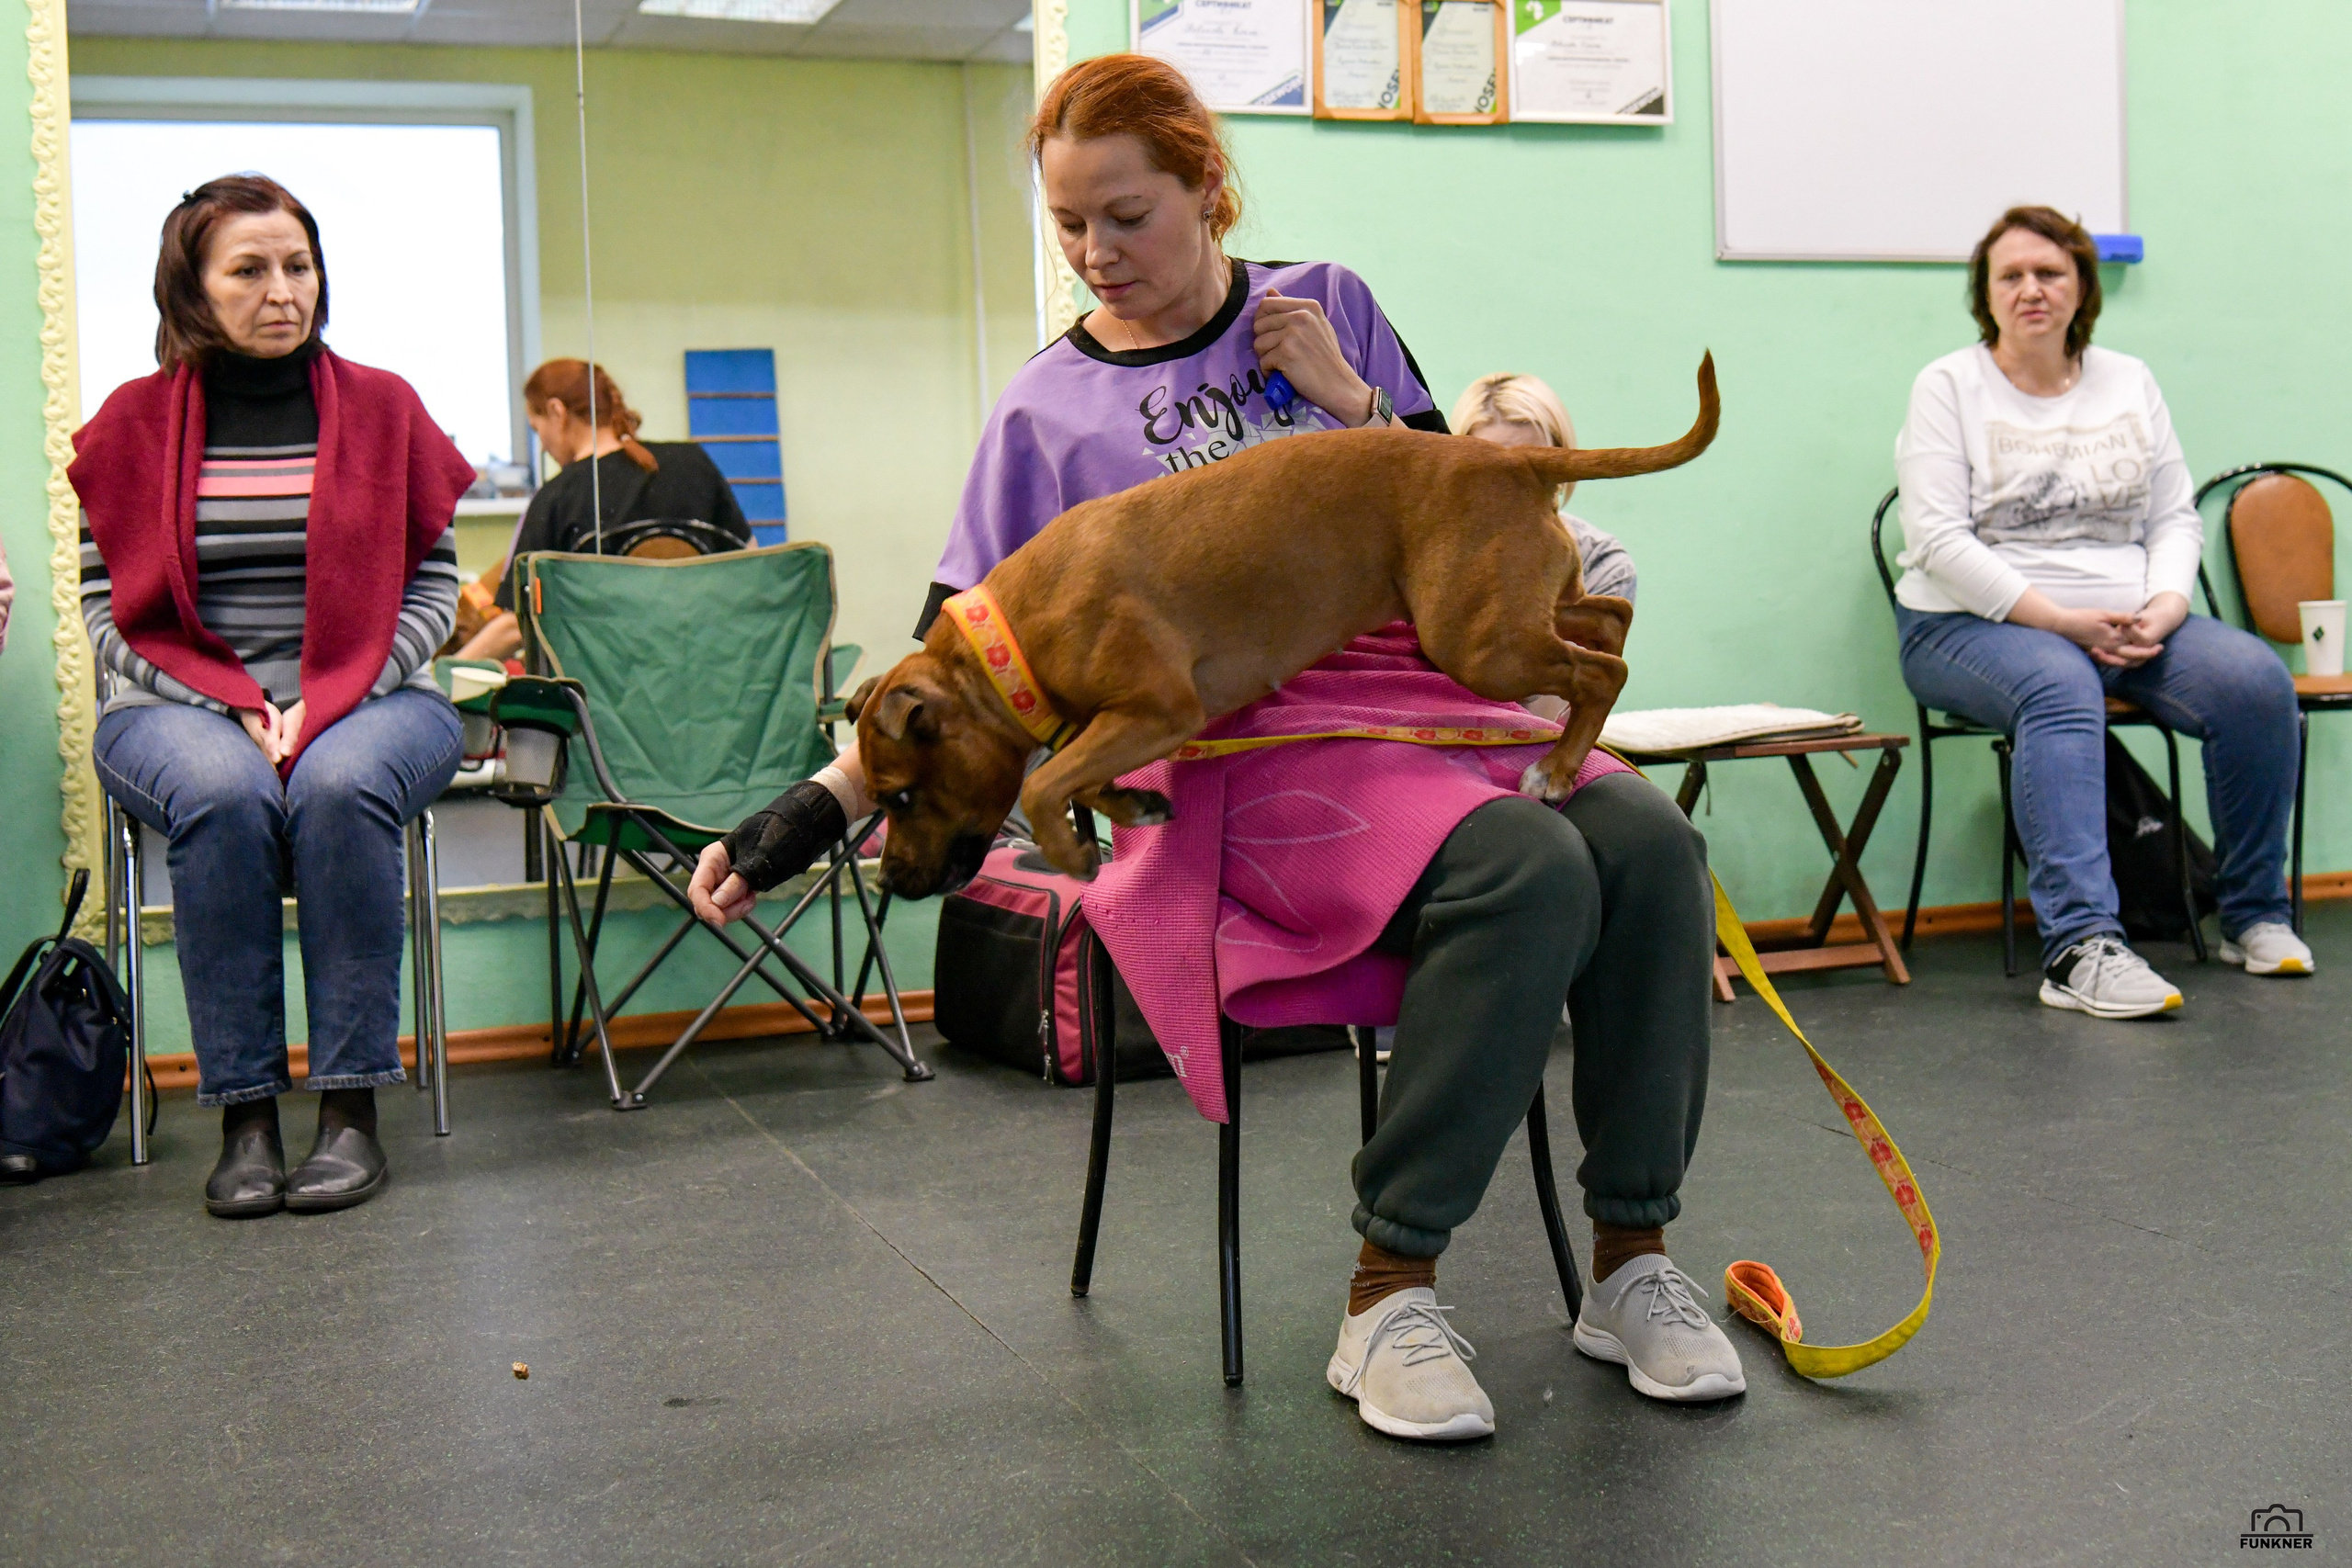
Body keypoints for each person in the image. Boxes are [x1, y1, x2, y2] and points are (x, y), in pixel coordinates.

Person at [689, 54, 1739, 1442]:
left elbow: (1457, 506)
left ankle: (1633, 1259)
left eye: (1126, 215)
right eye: (1069, 223)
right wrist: (807, 817)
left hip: (1435, 700)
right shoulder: (1041, 414)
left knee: (1655, 846)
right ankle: (1391, 1286)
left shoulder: (1333, 304)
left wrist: (1352, 393)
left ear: (1206, 187)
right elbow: (943, 678)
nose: (1093, 253)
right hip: (1239, 766)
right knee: (1531, 867)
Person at [71, 175, 475, 1215]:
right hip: (174, 707)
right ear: (192, 290)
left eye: (297, 265)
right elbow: (103, 607)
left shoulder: (385, 408)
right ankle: (246, 1119)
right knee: (227, 792)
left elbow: (435, 587)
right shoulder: (130, 423)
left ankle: (350, 1113)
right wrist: (225, 704)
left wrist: (348, 691)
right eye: (248, 270)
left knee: (338, 786)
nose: (282, 290)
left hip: (380, 698)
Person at [1893, 204, 2309, 1016]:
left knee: (2257, 683)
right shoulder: (1948, 384)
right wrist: (2059, 621)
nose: (2031, 289)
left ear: (2082, 284)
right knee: (2059, 688)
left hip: (2128, 618)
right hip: (1967, 624)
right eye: (2009, 275)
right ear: (1986, 293)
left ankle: (2255, 914)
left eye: (2049, 272)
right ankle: (2083, 947)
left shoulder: (2129, 379)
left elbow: (2173, 517)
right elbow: (1938, 539)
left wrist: (2166, 603)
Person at [451, 358, 750, 660]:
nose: (541, 446)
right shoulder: (694, 462)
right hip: (708, 670)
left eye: (536, 428)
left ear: (557, 412)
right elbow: (753, 569)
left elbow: (515, 626)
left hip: (609, 691)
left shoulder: (556, 497)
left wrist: (443, 677)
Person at [1453, 371, 1638, 605]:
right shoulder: (1423, 554)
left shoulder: (1602, 564)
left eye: (1536, 467)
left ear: (1565, 467)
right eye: (1490, 469)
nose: (1513, 490)